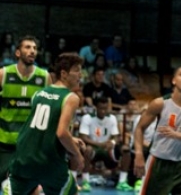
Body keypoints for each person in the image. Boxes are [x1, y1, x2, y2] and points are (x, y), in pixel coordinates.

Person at [8, 53, 85, 195]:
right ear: (63, 74)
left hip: (23, 160)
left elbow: (39, 127)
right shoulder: (71, 98)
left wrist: (71, 138)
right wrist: (77, 154)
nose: (80, 74)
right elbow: (61, 132)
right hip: (49, 163)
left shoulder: (39, 93)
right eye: (76, 70)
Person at [133, 67, 181, 194]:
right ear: (173, 80)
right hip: (159, 163)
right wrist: (139, 154)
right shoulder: (159, 103)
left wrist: (177, 135)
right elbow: (139, 128)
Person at [0, 35, 52, 186]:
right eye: (27, 47)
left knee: (30, 187)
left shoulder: (44, 77)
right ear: (17, 53)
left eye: (35, 48)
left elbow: (48, 111)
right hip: (4, 142)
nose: (32, 51)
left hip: (30, 144)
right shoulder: (3, 74)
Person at [78, 98, 129, 191]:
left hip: (107, 149)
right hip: (93, 149)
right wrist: (99, 144)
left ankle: (122, 181)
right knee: (87, 149)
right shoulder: (87, 118)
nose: (103, 111)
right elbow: (83, 137)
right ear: (96, 108)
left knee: (126, 149)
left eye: (105, 108)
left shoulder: (112, 118)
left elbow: (116, 136)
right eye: (101, 108)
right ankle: (85, 182)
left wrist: (112, 142)